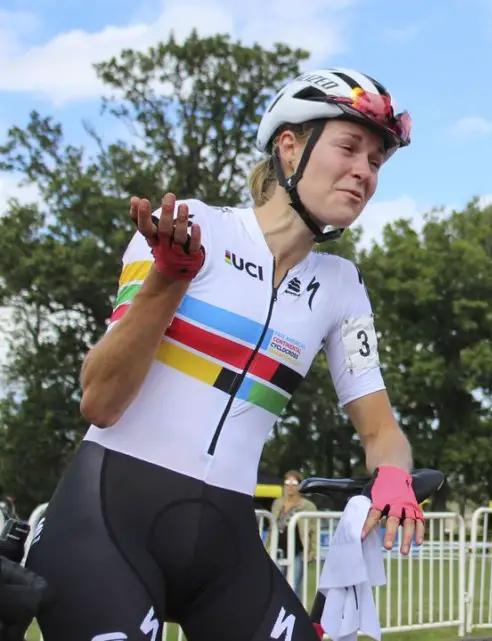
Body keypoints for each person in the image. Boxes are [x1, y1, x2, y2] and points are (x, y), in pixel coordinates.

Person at [24, 67, 424, 641]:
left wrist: (393, 476)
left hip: (224, 540)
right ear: (291, 148)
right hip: (106, 521)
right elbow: (100, 401)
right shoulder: (191, 228)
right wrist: (168, 280)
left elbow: (381, 429)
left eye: (377, 162)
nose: (364, 171)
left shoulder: (341, 286)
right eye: (349, 147)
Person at [269, 470, 320, 594]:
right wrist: (267, 547)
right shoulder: (277, 503)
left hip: (298, 551)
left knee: (294, 587)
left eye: (294, 483)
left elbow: (314, 530)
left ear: (299, 485)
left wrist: (312, 552)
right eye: (287, 483)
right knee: (275, 586)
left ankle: (295, 612)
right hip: (278, 550)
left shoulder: (308, 506)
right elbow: (272, 528)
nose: (290, 486)